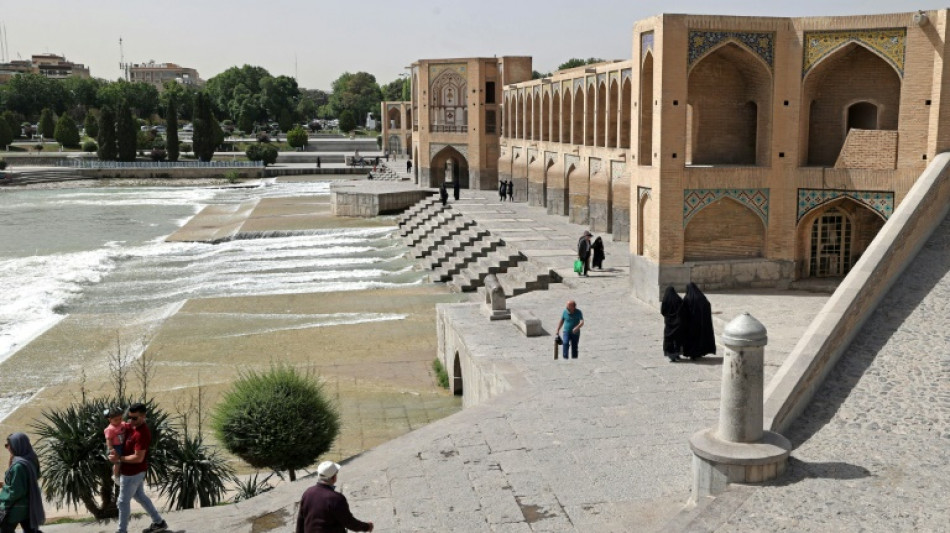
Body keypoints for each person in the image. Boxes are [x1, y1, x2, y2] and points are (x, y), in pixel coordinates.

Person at [110, 403, 168, 533]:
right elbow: (116, 428)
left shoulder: (143, 434)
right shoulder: (132, 426)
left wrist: (118, 459)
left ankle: (122, 531)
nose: (131, 420)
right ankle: (159, 522)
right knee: (140, 496)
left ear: (143, 416)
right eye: (129, 417)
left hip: (133, 473)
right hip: (131, 472)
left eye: (134, 418)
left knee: (122, 502)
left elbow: (138, 458)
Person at [296, 461, 373, 533]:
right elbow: (349, 522)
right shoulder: (336, 499)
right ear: (334, 478)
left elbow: (300, 520)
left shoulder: (307, 493)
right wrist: (367, 527)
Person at [0, 433, 45, 533]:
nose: (8, 448)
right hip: (30, 505)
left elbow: (15, 491)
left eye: (9, 445)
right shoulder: (32, 459)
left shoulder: (18, 466)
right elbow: (34, 477)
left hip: (17, 508)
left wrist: (2, 496)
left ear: (17, 445)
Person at [681, 282, 716, 360]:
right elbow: (707, 305)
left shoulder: (687, 298)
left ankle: (692, 354)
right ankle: (699, 352)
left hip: (690, 324)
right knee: (699, 338)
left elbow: (683, 310)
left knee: (691, 338)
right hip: (700, 323)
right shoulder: (701, 297)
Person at [103, 407, 129, 484]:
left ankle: (123, 473)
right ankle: (115, 475)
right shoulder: (110, 429)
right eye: (116, 420)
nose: (118, 421)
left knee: (123, 460)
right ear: (109, 420)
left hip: (123, 445)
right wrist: (111, 449)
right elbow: (109, 440)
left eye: (120, 418)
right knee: (117, 462)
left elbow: (128, 426)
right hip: (115, 447)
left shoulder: (122, 424)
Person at [660, 286, 685, 362]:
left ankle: (671, 355)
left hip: (669, 324)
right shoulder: (678, 299)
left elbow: (663, 311)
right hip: (678, 323)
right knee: (678, 339)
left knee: (669, 339)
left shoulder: (665, 300)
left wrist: (668, 317)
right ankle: (677, 354)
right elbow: (683, 310)